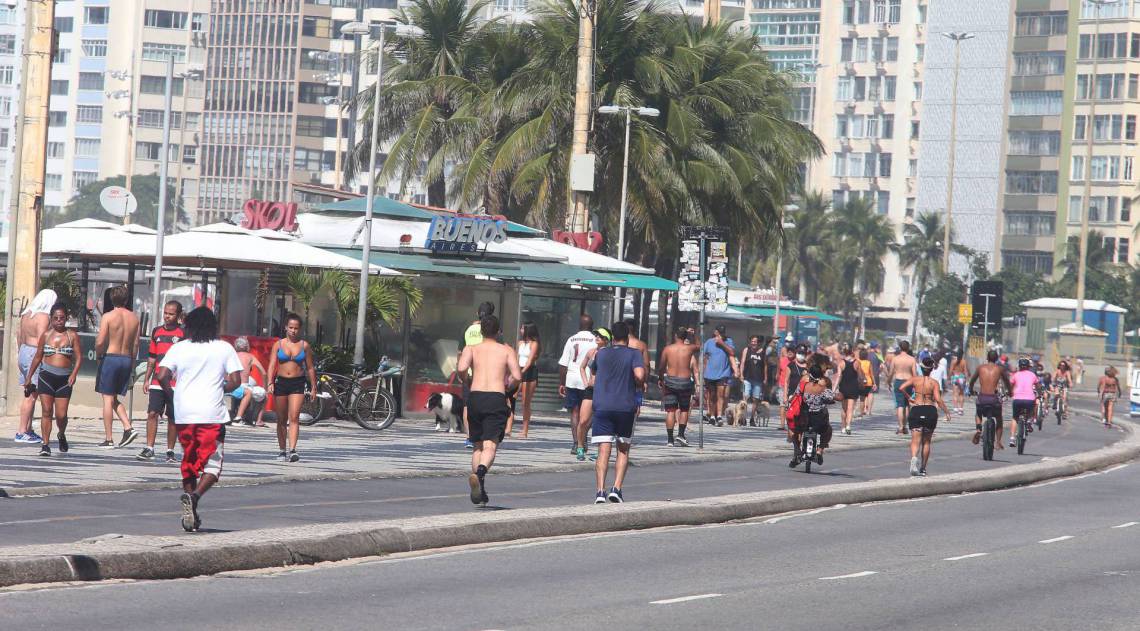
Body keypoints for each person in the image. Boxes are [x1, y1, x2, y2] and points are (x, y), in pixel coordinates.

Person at [156, 306, 244, 532]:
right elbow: (236, 381)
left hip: (184, 413)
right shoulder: (224, 348)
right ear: (213, 326)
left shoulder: (179, 348)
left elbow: (162, 375)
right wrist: (219, 386)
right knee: (213, 465)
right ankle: (194, 497)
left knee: (190, 460)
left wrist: (172, 395)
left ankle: (191, 514)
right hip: (211, 413)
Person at [456, 314, 521, 507]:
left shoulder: (472, 348)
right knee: (490, 445)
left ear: (481, 331)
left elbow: (461, 368)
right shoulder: (506, 350)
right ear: (499, 331)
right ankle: (481, 472)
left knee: (477, 446)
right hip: (495, 397)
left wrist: (467, 380)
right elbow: (517, 375)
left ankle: (479, 486)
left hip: (475, 397)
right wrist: (508, 386)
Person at [590, 321, 645, 504]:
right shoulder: (634, 354)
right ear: (627, 337)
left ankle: (600, 491)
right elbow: (640, 375)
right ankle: (616, 488)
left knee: (603, 449)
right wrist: (636, 382)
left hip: (602, 405)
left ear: (612, 337)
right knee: (623, 449)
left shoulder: (601, 353)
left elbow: (593, 373)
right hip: (624, 406)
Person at [23, 303, 81, 456]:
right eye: (55, 318)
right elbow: (37, 357)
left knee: (61, 415)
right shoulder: (46, 335)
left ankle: (61, 434)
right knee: (47, 411)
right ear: (51, 319)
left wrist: (74, 374)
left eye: (62, 318)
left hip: (64, 379)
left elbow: (79, 358)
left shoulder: (72, 335)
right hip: (46, 377)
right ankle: (45, 444)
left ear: (66, 318)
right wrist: (29, 377)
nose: (59, 321)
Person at [94, 285, 141, 449]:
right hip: (126, 358)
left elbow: (100, 341)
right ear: (126, 299)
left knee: (107, 398)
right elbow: (136, 343)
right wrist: (133, 362)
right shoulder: (134, 318)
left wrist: (99, 355)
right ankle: (128, 427)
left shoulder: (108, 316)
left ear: (111, 299)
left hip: (112, 357)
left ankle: (109, 438)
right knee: (113, 398)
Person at [137, 300, 184, 462]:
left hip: (175, 385)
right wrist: (146, 379)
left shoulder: (183, 334)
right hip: (157, 382)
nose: (167, 316)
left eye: (171, 314)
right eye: (165, 313)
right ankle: (149, 447)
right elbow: (151, 358)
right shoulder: (156, 332)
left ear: (178, 316)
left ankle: (170, 451)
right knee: (152, 413)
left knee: (173, 417)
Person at [266, 313, 317, 462]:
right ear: (285, 328)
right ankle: (282, 450)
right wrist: (270, 382)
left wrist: (313, 386)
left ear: (299, 329)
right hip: (281, 382)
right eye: (291, 328)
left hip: (297, 382)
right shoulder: (279, 344)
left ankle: (293, 449)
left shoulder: (304, 345)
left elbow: (310, 368)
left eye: (296, 328)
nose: (293, 331)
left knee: (294, 417)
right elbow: (271, 365)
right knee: (281, 419)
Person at [14, 288, 55, 444]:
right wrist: (44, 359)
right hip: (34, 353)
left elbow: (19, 336)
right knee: (31, 395)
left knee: (29, 391)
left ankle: (28, 429)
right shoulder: (43, 317)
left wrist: (21, 355)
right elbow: (41, 340)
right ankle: (22, 431)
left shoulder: (27, 315)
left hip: (24, 351)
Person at [898, 357, 951, 476]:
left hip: (916, 409)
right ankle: (923, 468)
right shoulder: (934, 383)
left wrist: (909, 397)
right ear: (931, 369)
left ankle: (913, 459)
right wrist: (947, 412)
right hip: (929, 411)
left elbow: (901, 388)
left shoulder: (915, 379)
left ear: (921, 368)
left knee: (915, 440)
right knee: (926, 442)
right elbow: (938, 399)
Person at [788, 355, 839, 468]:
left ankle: (797, 452)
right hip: (818, 419)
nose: (826, 370)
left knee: (793, 429)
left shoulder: (803, 381)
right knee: (828, 429)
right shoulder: (824, 383)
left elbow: (796, 395)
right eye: (826, 367)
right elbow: (831, 396)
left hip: (803, 417)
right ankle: (820, 450)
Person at [558, 314, 597, 455]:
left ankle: (575, 442)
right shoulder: (595, 340)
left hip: (572, 378)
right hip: (588, 379)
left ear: (579, 326)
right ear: (592, 327)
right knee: (588, 412)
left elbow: (563, 364)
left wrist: (562, 382)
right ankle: (584, 438)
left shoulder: (571, 339)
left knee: (574, 411)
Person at [658, 327, 698, 446]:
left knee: (670, 411)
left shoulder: (668, 349)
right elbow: (700, 346)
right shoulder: (689, 348)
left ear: (675, 336)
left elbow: (661, 367)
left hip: (670, 381)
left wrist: (660, 378)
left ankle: (670, 439)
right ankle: (680, 434)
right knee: (684, 409)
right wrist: (694, 335)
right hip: (685, 382)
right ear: (685, 337)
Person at [575, 328, 611, 461]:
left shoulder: (609, 353)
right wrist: (585, 382)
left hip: (603, 390)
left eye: (600, 336)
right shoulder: (591, 352)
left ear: (606, 340)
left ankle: (599, 451)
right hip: (590, 389)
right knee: (583, 420)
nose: (597, 337)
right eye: (596, 335)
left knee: (600, 421)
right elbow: (582, 367)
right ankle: (580, 446)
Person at [968, 350, 1012, 448]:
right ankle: (998, 442)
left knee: (978, 412)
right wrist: (1010, 392)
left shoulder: (980, 368)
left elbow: (971, 382)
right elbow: (1007, 382)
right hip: (993, 399)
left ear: (987, 358)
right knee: (999, 418)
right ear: (997, 359)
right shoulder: (1000, 369)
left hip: (982, 398)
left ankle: (979, 429)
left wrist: (971, 390)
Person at [702, 325, 738, 426]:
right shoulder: (709, 342)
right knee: (712, 396)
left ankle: (719, 416)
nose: (722, 334)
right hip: (710, 373)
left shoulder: (728, 341)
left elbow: (732, 352)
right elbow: (704, 356)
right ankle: (712, 416)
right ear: (716, 332)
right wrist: (702, 371)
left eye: (723, 332)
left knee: (721, 395)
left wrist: (722, 343)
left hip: (723, 373)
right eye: (720, 332)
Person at [232, 336, 268, 427]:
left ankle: (242, 415)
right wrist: (265, 388)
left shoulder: (232, 355)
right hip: (243, 386)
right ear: (247, 346)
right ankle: (258, 420)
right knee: (264, 395)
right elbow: (263, 373)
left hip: (230, 385)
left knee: (250, 388)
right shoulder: (250, 357)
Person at [514, 322, 540, 439]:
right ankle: (508, 426)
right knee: (512, 397)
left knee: (525, 402)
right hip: (519, 370)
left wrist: (522, 372)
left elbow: (530, 361)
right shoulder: (520, 343)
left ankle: (524, 430)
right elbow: (517, 358)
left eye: (523, 328)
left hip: (529, 371)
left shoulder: (534, 344)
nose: (521, 330)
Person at [887, 340, 918, 435]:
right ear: (908, 348)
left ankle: (900, 427)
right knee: (907, 404)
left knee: (900, 405)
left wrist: (888, 382)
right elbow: (915, 374)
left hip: (899, 381)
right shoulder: (912, 359)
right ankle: (905, 426)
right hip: (909, 382)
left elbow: (891, 372)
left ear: (900, 348)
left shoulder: (895, 359)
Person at [1008, 358, 1040, 448]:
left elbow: (1010, 386)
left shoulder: (1015, 375)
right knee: (1033, 408)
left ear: (1019, 366)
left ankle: (1012, 438)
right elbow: (1038, 387)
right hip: (1029, 399)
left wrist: (1009, 393)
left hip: (1017, 399)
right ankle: (1030, 421)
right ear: (1029, 367)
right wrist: (1040, 394)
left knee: (1015, 417)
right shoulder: (1033, 375)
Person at [624, 318, 651, 418]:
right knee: (636, 405)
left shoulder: (617, 343)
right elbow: (646, 364)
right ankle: (630, 427)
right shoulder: (641, 344)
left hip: (622, 377)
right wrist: (645, 381)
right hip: (637, 379)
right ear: (635, 329)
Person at [835, 343, 863, 435]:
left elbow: (839, 376)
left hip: (843, 387)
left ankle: (842, 427)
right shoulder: (857, 362)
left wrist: (834, 388)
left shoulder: (841, 363)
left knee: (844, 409)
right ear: (852, 351)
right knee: (850, 408)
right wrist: (862, 383)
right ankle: (848, 426)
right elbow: (860, 376)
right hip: (853, 387)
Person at [739, 335, 767, 427]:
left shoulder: (763, 352)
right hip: (747, 377)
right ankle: (743, 418)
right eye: (752, 341)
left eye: (755, 341)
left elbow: (765, 365)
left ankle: (752, 419)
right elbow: (742, 362)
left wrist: (765, 377)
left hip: (758, 379)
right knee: (745, 397)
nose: (753, 343)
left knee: (756, 399)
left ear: (758, 343)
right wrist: (741, 374)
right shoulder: (746, 350)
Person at [857, 348, 876, 418]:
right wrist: (874, 383)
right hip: (869, 382)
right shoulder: (868, 363)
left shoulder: (857, 362)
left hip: (860, 382)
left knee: (861, 399)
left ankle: (861, 413)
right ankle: (868, 411)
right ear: (866, 356)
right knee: (867, 396)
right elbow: (872, 374)